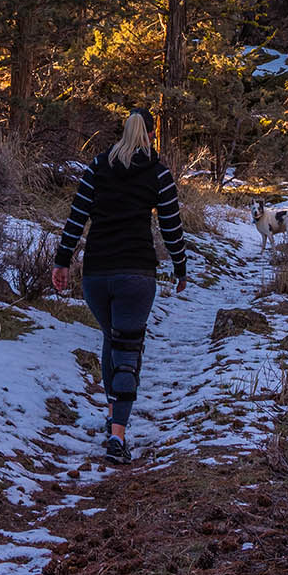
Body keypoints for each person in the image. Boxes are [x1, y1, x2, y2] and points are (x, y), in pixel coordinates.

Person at [51, 107, 187, 464]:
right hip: (136, 273)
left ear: (121, 131)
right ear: (150, 135)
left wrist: (62, 261)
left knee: (112, 341)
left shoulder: (97, 167)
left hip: (96, 272)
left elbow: (77, 216)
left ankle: (113, 414)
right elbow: (171, 227)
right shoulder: (158, 174)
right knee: (128, 349)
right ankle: (118, 436)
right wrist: (180, 266)